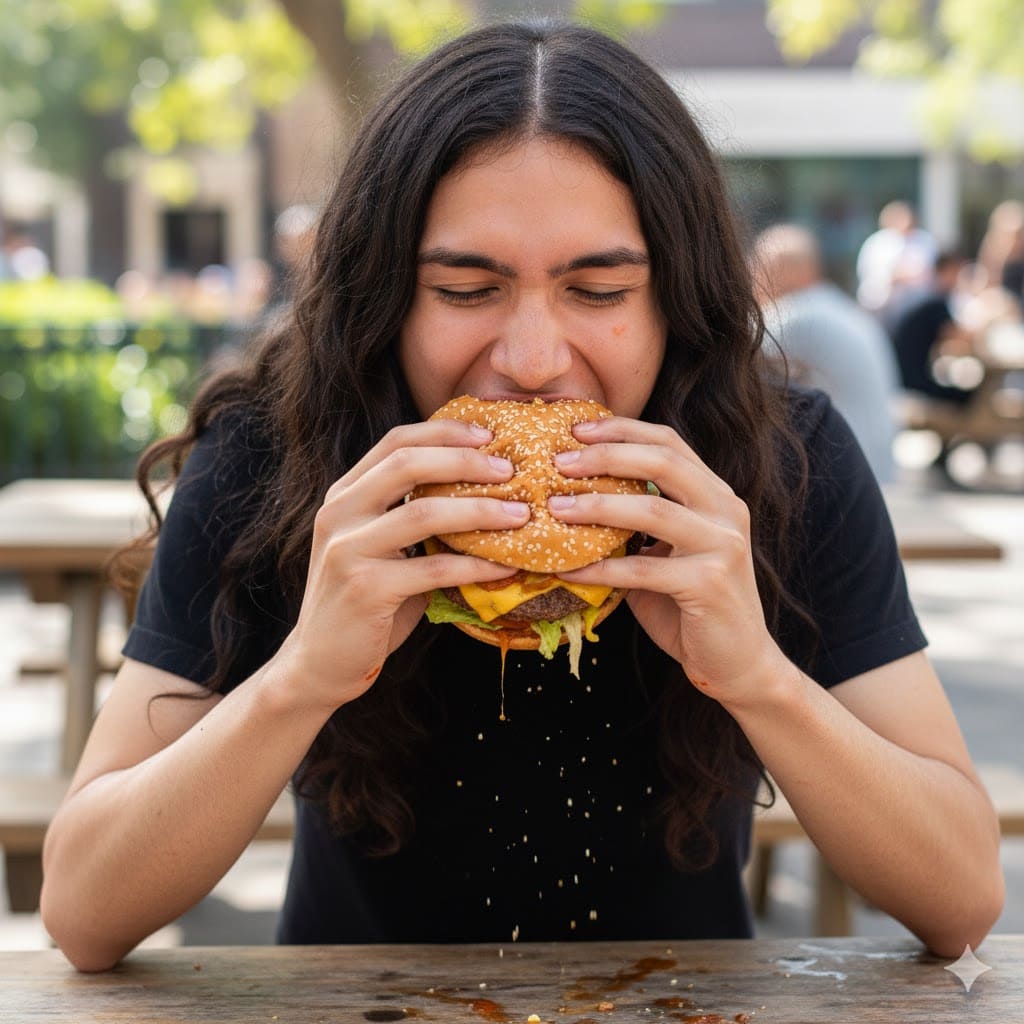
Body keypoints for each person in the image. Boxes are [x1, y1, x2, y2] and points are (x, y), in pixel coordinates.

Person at [40, 22, 1003, 971]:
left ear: (675, 300)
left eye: (599, 291)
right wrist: (301, 676)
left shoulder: (783, 460)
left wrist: (757, 675)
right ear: (382, 300)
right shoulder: (271, 455)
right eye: (466, 290)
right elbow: (84, 912)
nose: (534, 362)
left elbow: (960, 903)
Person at [752, 223, 901, 483]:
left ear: (784, 268)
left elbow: (729, 346)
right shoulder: (834, 305)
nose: (752, 274)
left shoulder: (800, 314)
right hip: (876, 460)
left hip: (846, 469)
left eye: (760, 264)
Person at [890, 250, 975, 406]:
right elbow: (959, 337)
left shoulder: (926, 295)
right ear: (946, 271)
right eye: (958, 272)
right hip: (912, 382)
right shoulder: (935, 301)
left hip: (903, 376)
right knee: (968, 396)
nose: (960, 279)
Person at [855, 201, 937, 328]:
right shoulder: (877, 243)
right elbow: (872, 278)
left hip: (919, 308)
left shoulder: (924, 240)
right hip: (883, 309)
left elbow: (934, 272)